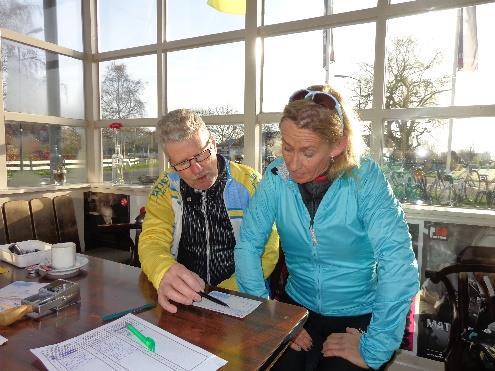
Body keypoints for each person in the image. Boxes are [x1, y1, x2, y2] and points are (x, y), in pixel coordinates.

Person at [234, 85, 419, 370]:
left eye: (307, 151)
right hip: (296, 306)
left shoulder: (365, 179)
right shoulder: (276, 175)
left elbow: (399, 264)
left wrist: (374, 347)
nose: (293, 164)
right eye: (287, 146)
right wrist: (270, 318)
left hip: (357, 314)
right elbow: (247, 246)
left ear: (337, 145)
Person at [139, 108, 279, 313]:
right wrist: (164, 270)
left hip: (243, 292)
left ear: (213, 143)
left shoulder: (251, 182)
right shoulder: (166, 186)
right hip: (185, 295)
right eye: (183, 163)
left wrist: (222, 292)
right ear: (171, 163)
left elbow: (268, 250)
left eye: (202, 155)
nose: (197, 169)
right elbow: (152, 240)